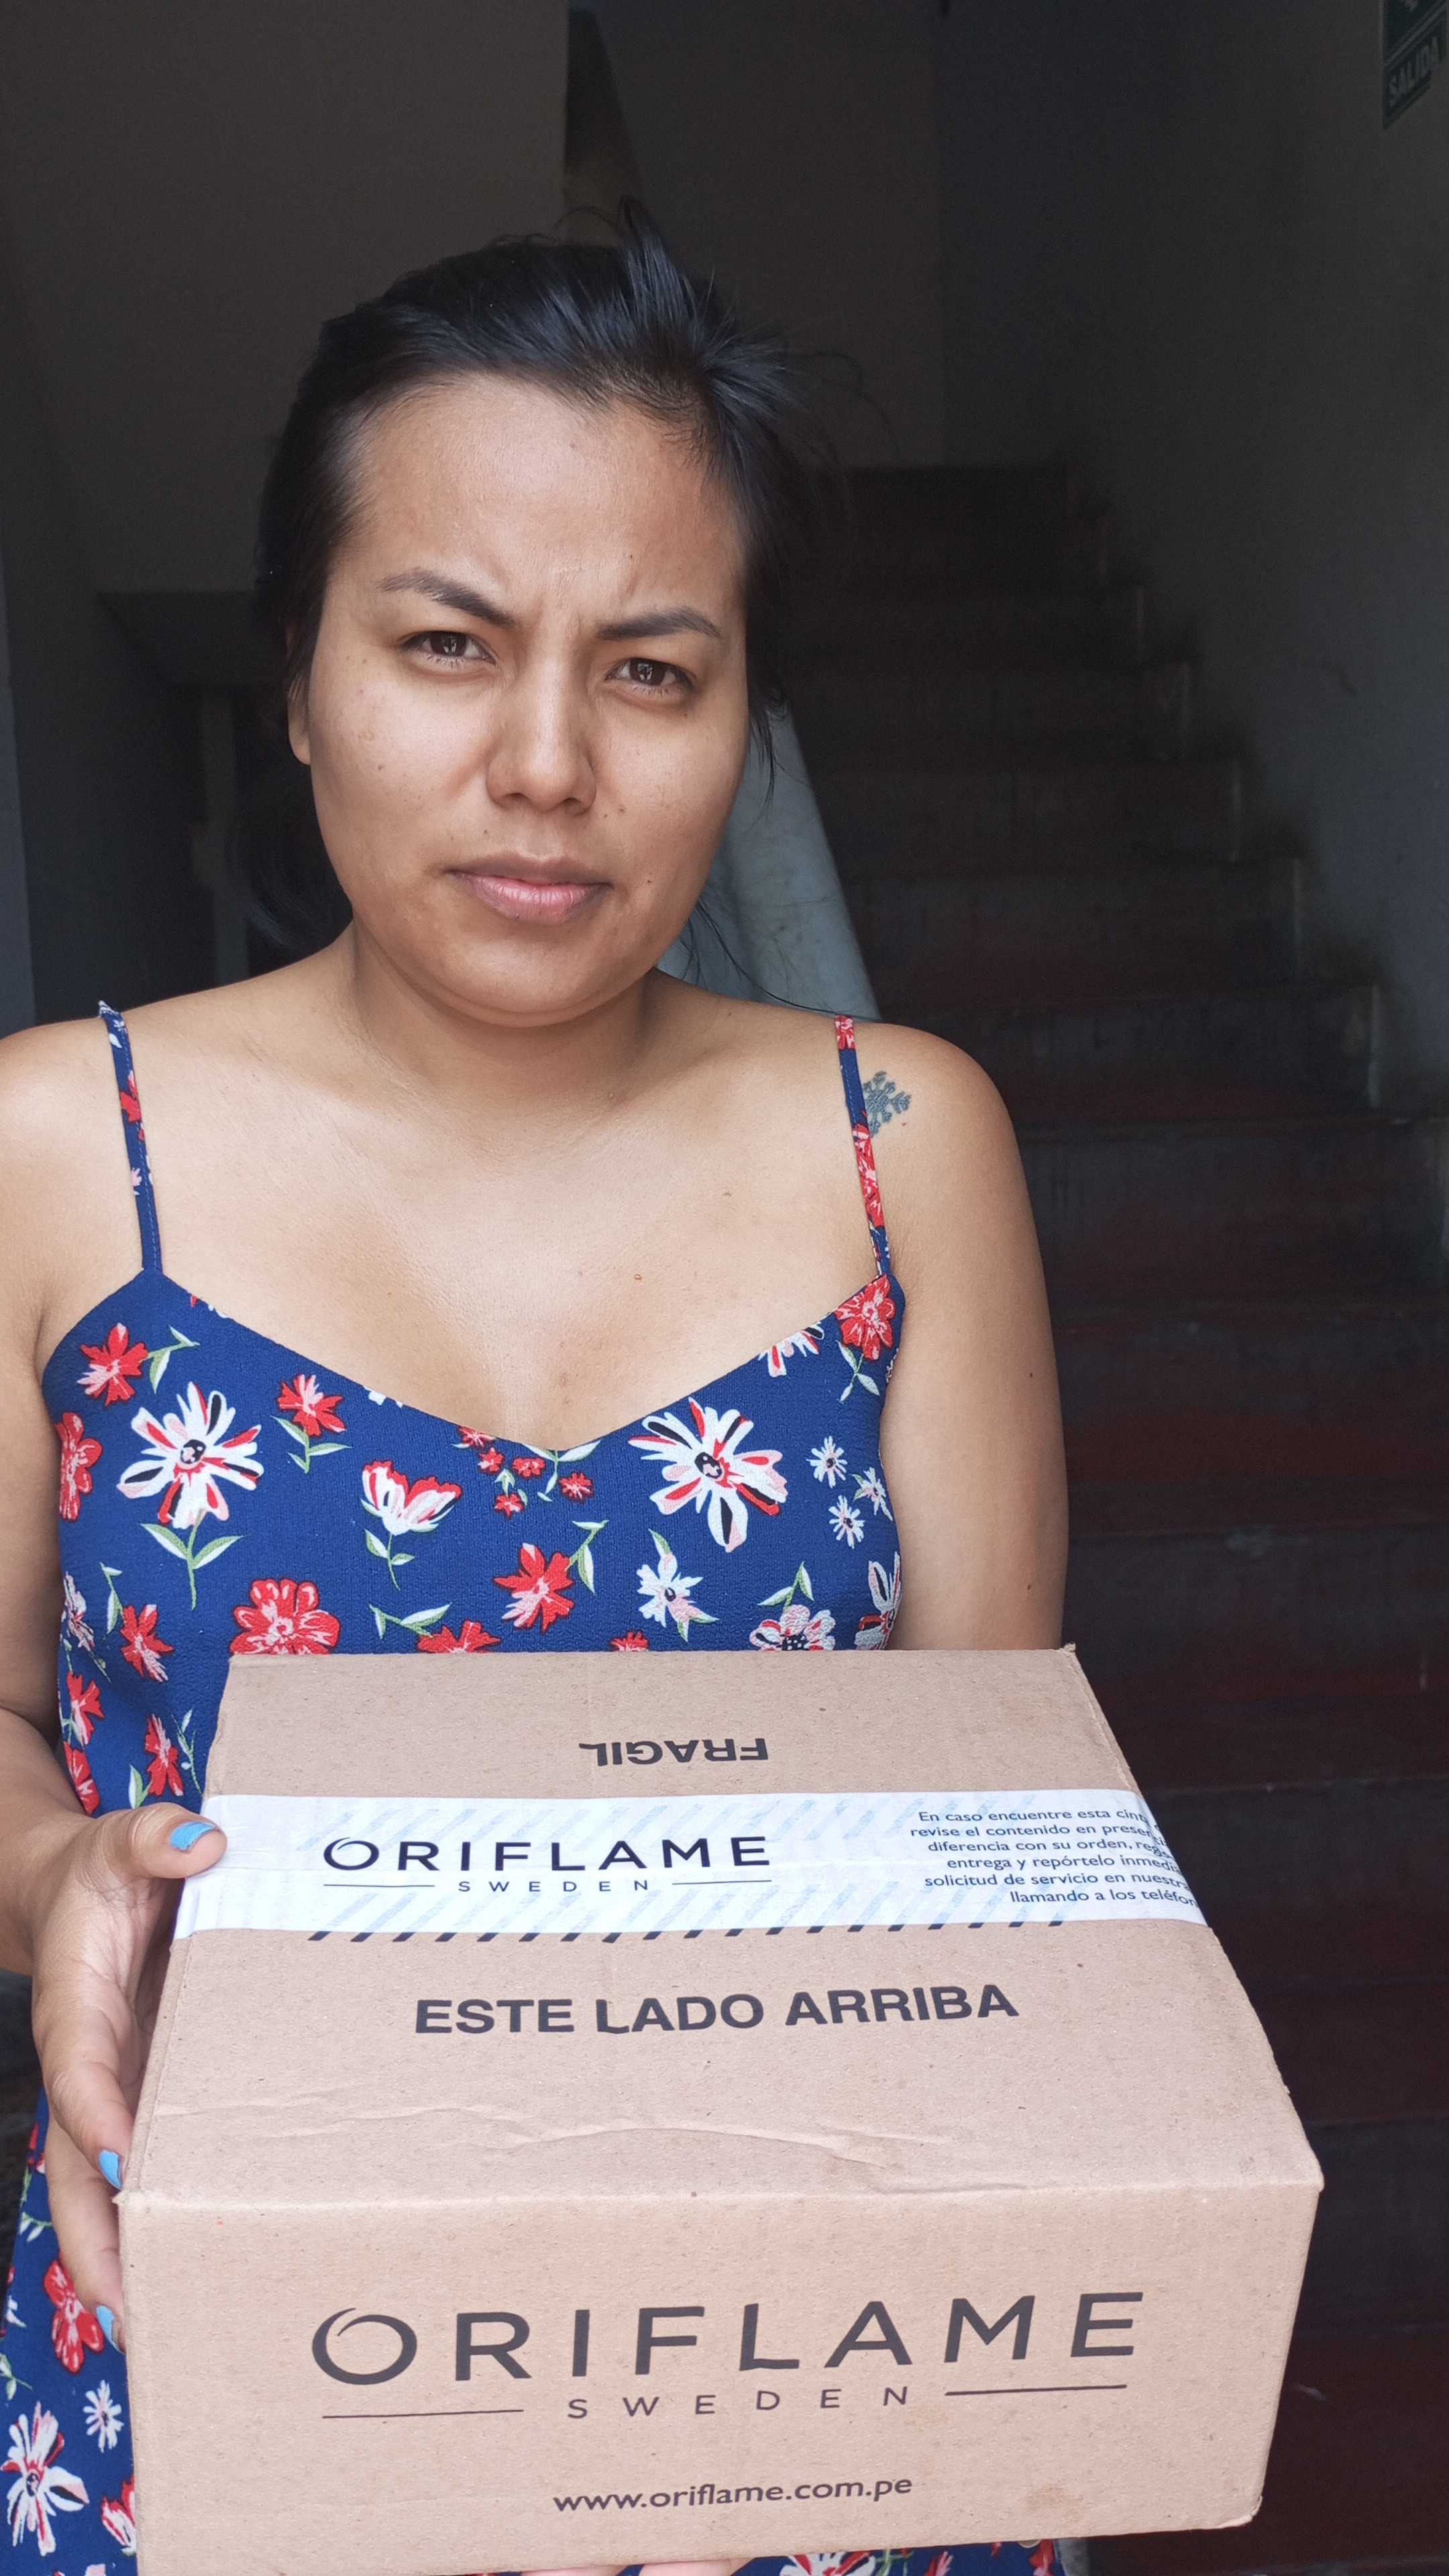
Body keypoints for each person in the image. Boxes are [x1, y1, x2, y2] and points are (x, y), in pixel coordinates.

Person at [0, 212, 1067, 2576]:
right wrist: (59, 1865)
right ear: (300, 677)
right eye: (448, 645)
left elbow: (993, 1821)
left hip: (795, 2384)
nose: (548, 765)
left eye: (653, 670)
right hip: (231, 2382)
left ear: (742, 719)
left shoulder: (905, 1146)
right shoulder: (55, 1150)